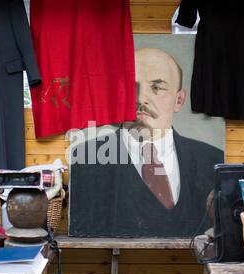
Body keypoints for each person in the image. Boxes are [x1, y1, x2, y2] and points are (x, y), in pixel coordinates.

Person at [69, 48, 223, 238]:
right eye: (132, 86)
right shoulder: (84, 160)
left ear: (179, 100)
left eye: (157, 88)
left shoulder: (214, 161)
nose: (141, 98)